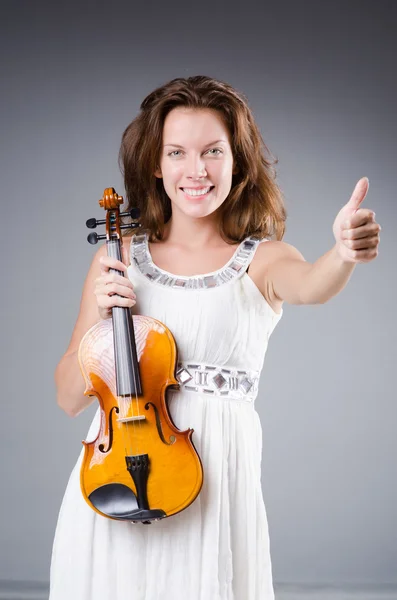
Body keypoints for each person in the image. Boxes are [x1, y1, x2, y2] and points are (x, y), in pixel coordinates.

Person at [50, 75, 381, 600]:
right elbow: (69, 396)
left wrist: (342, 252)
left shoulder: (264, 260)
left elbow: (314, 286)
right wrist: (99, 318)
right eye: (177, 152)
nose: (196, 170)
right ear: (157, 166)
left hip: (213, 480)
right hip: (113, 476)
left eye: (213, 152)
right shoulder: (116, 257)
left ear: (238, 162)